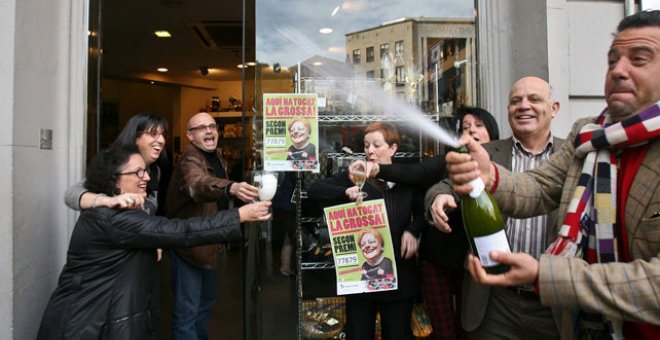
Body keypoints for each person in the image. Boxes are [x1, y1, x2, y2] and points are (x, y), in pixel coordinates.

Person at [446, 10, 660, 338]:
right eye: (612, 59)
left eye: (639, 59)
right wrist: (490, 175)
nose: (618, 70)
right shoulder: (589, 134)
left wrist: (545, 275)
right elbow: (542, 186)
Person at [37, 148, 271, 340]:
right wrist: (239, 216)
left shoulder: (122, 212)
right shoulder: (112, 217)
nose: (147, 177)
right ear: (113, 181)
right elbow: (181, 230)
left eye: (146, 171)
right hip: (89, 325)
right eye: (138, 173)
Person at [428, 77, 563, 339]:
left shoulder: (571, 154)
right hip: (495, 302)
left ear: (554, 108)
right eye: (515, 101)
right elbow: (445, 185)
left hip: (553, 303)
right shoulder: (485, 153)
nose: (524, 106)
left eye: (534, 99)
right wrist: (439, 198)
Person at [362, 106, 499, 340]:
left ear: (491, 132)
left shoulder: (501, 164)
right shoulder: (446, 162)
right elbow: (413, 174)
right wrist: (378, 169)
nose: (472, 131)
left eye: (478, 125)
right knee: (444, 331)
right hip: (437, 260)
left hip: (475, 264)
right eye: (465, 127)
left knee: (472, 328)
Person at [308, 122, 424, 340]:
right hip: (360, 281)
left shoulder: (407, 178)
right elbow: (315, 190)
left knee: (397, 333)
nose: (370, 150)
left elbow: (422, 213)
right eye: (366, 145)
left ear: (393, 148)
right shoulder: (356, 175)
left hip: (400, 276)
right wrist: (345, 192)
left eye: (377, 145)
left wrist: (412, 230)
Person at [165, 112, 259, 339]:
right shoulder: (190, 158)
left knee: (205, 307)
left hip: (209, 245)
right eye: (201, 128)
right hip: (189, 248)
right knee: (187, 314)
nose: (209, 131)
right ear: (190, 135)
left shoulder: (216, 156)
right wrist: (230, 187)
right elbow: (198, 185)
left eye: (212, 126)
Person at [64, 114, 170, 215]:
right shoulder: (116, 162)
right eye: (154, 134)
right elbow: (71, 194)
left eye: (163, 135)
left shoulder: (156, 171)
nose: (161, 140)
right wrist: (110, 201)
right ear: (136, 137)